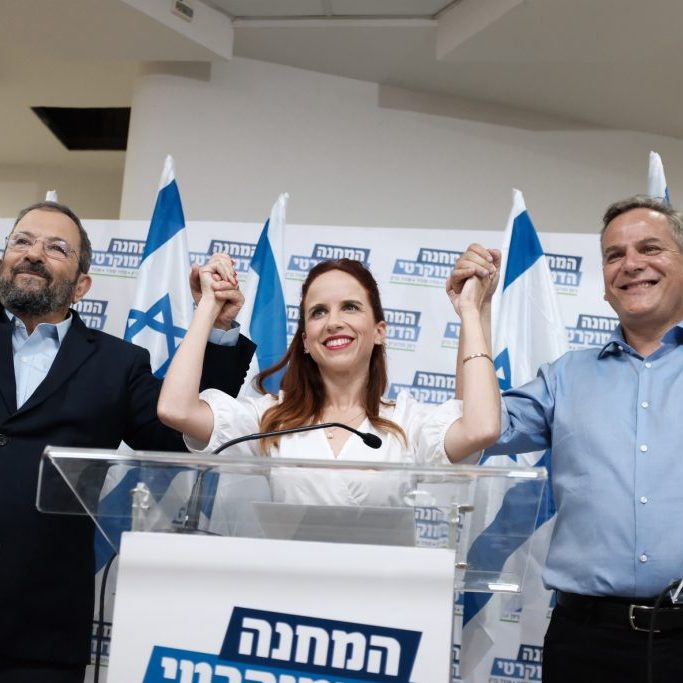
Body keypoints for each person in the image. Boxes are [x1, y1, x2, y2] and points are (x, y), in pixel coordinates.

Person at [0, 201, 255, 682]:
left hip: (40, 634)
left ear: (81, 285)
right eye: (22, 241)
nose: (34, 254)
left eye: (56, 248)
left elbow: (181, 438)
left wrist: (216, 329)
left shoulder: (118, 365)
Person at [451, 195, 683, 683]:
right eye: (615, 255)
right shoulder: (563, 378)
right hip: (585, 645)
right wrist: (476, 313)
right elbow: (477, 426)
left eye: (650, 248)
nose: (632, 264)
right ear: (604, 284)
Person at [158, 255, 501, 506]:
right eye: (319, 312)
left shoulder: (408, 422)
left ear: (379, 331)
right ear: (306, 340)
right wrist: (208, 308)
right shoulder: (272, 420)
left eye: (350, 307)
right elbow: (177, 409)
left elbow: (481, 428)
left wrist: (472, 309)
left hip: (382, 601)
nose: (333, 322)